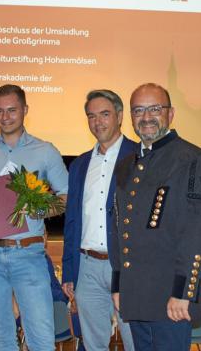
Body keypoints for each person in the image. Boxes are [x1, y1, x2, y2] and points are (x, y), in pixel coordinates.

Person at [0, 84, 68, 351]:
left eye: (11, 110)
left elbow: (66, 197)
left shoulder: (45, 150)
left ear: (25, 110)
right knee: (3, 340)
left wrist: (40, 210)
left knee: (41, 339)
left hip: (28, 255)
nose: (5, 117)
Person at [111, 83, 201, 351]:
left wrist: (184, 293)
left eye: (154, 108)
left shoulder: (192, 159)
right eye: (138, 110)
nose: (146, 117)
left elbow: (196, 234)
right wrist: (119, 285)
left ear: (171, 114)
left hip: (171, 298)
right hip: (136, 295)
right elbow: (119, 229)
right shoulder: (127, 165)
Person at [62, 89, 136, 351]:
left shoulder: (141, 156)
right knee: (93, 345)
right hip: (87, 267)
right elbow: (72, 221)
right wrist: (70, 271)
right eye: (91, 116)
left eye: (104, 114)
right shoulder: (80, 165)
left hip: (128, 268)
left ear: (119, 116)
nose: (97, 122)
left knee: (135, 342)